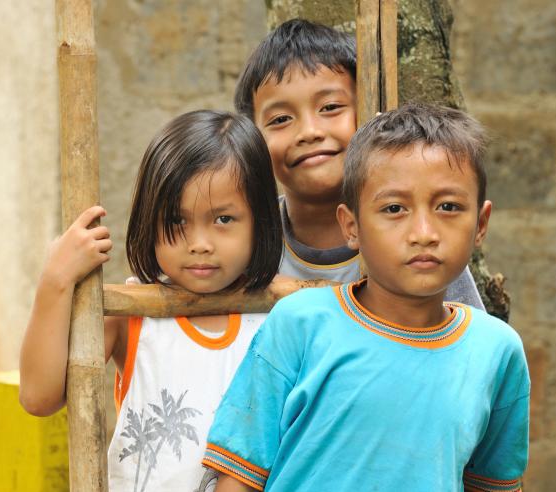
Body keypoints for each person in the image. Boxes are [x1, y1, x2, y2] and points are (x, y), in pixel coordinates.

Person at [202, 104, 530, 491]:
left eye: (448, 207)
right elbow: (237, 477)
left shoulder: (497, 351)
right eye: (394, 208)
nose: (423, 232)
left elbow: (494, 484)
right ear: (351, 227)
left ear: (480, 224)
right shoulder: (300, 324)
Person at [19, 110, 283, 491]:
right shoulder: (132, 316)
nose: (199, 243)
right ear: (149, 221)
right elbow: (38, 397)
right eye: (177, 221)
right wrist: (56, 280)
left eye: (223, 219)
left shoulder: (278, 314)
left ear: (260, 220)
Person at [235, 18, 485, 308]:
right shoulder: (244, 242)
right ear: (252, 139)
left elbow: (466, 341)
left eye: (330, 107)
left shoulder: (418, 236)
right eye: (280, 120)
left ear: (368, 113)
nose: (309, 132)